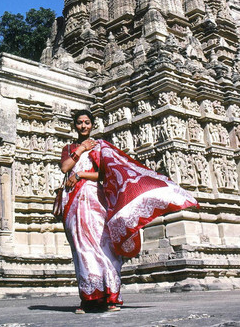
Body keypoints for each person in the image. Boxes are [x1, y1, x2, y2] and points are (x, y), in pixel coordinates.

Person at [60, 109, 199, 314]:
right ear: (75, 125)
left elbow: (104, 175)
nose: (83, 126)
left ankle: (110, 296)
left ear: (92, 124)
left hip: (96, 200)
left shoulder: (100, 147)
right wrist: (80, 149)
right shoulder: (70, 148)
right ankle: (90, 298)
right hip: (75, 204)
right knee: (81, 248)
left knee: (103, 246)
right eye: (80, 123)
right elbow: (64, 168)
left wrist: (80, 173)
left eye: (87, 122)